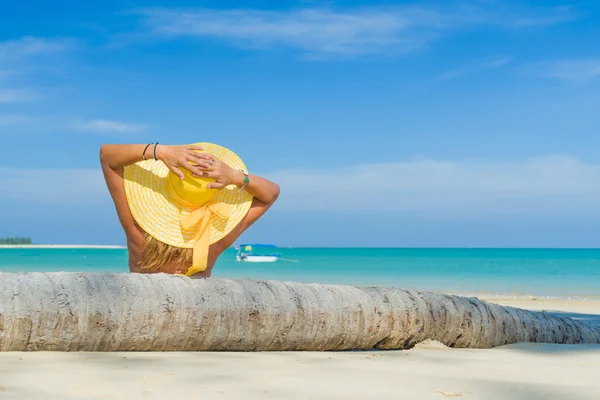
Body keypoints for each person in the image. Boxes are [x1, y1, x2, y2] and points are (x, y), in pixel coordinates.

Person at [100, 142, 280, 277]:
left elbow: (107, 157)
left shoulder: (137, 231)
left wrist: (160, 151)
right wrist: (236, 177)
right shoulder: (214, 239)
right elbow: (271, 193)